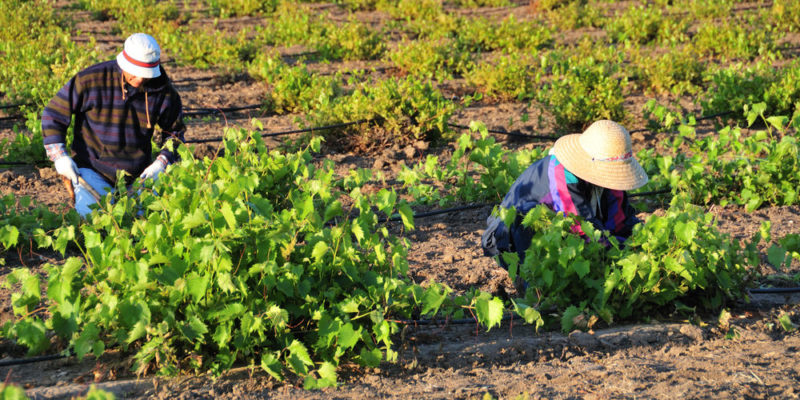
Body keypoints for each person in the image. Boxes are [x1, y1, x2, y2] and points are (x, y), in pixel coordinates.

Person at [42, 33, 185, 217]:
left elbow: (175, 133)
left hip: (139, 175)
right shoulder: (91, 79)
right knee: (94, 219)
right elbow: (54, 113)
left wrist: (161, 162)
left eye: (145, 75)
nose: (140, 79)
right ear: (124, 63)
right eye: (135, 72)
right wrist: (60, 156)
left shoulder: (163, 91)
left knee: (148, 220)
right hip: (93, 170)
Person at [482, 120, 648, 270]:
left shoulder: (611, 179)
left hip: (563, 235)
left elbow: (621, 220)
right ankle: (534, 288)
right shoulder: (562, 173)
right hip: (506, 243)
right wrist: (622, 255)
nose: (613, 176)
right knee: (527, 218)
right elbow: (582, 228)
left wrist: (641, 242)